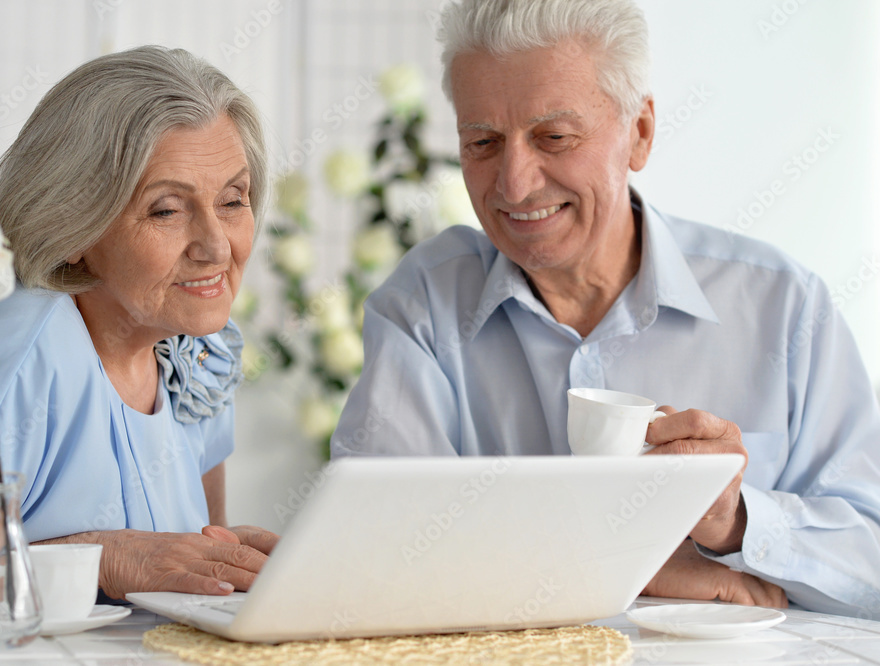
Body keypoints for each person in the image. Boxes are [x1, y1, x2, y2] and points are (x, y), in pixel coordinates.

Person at [332, 0, 880, 617]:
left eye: (555, 137)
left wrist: (737, 522)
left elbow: (872, 564)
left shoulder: (784, 307)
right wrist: (635, 569)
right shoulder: (425, 304)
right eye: (482, 142)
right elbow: (373, 546)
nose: (513, 184)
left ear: (639, 133)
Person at [0, 45, 278, 636]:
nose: (217, 246)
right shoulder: (15, 358)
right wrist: (102, 559)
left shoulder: (200, 345)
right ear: (75, 226)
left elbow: (184, 582)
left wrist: (225, 565)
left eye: (232, 200)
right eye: (167, 210)